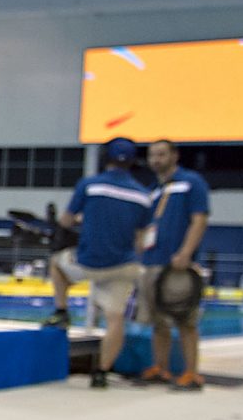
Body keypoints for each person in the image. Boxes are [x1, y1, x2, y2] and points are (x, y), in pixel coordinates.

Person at [51, 139, 155, 386]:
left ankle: (61, 312)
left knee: (56, 262)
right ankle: (101, 373)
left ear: (104, 158)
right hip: (123, 266)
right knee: (115, 318)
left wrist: (81, 222)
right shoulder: (143, 196)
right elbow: (142, 241)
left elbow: (65, 221)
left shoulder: (89, 185)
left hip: (89, 262)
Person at [136, 139, 210, 391]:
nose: (156, 159)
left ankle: (192, 373)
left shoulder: (191, 183)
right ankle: (161, 367)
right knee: (158, 322)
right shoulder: (153, 190)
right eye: (152, 155)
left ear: (174, 156)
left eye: (161, 154)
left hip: (178, 265)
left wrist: (186, 253)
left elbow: (199, 220)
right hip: (151, 263)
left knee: (185, 321)